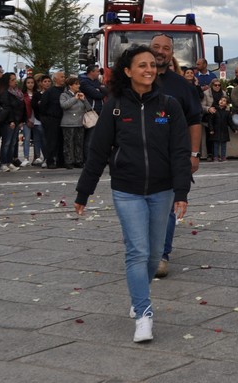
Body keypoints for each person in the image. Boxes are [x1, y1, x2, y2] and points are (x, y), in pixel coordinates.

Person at [74, 45, 192, 343]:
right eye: (142, 65)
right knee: (136, 252)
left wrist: (182, 192)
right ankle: (143, 313)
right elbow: (98, 152)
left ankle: (139, 295)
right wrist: (83, 192)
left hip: (162, 189)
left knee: (153, 255)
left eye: (152, 65)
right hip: (126, 190)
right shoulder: (114, 106)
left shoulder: (169, 105)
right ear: (128, 71)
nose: (149, 70)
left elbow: (179, 152)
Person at [149, 33, 203, 278]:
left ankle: (161, 254)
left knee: (167, 208)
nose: (161, 51)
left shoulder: (182, 85)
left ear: (172, 53)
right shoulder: (135, 80)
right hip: (139, 157)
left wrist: (193, 154)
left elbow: (194, 120)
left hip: (173, 157)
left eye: (166, 48)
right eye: (156, 47)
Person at [0, 73, 26, 171]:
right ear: (7, 82)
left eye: (15, 79)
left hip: (17, 120)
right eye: (12, 80)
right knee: (6, 142)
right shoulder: (5, 93)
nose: (15, 82)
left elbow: (21, 107)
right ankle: (4, 163)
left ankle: (9, 162)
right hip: (8, 121)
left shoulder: (17, 92)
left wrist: (21, 119)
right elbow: (7, 108)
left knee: (13, 142)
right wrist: (11, 120)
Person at [59, 76, 88, 169]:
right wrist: (75, 98)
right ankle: (68, 161)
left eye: (78, 84)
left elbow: (89, 108)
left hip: (79, 122)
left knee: (79, 142)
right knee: (68, 143)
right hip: (68, 123)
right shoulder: (64, 95)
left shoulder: (81, 94)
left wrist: (84, 100)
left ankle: (78, 160)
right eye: (76, 84)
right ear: (70, 85)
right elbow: (64, 105)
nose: (78, 85)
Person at [20, 75, 44, 167]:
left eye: (32, 82)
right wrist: (25, 119)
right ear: (25, 84)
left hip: (37, 119)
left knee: (37, 139)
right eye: (28, 83)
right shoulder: (23, 94)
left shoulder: (37, 94)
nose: (30, 84)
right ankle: (26, 158)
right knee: (27, 138)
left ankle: (37, 157)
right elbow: (21, 109)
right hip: (27, 119)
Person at [207, 97, 235, 162]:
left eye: (224, 101)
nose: (222, 101)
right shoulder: (214, 111)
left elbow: (230, 122)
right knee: (215, 145)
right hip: (216, 130)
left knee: (223, 145)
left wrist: (234, 129)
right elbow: (210, 121)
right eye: (221, 100)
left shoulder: (227, 112)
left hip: (224, 131)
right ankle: (215, 157)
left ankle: (223, 156)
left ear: (226, 104)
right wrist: (211, 129)